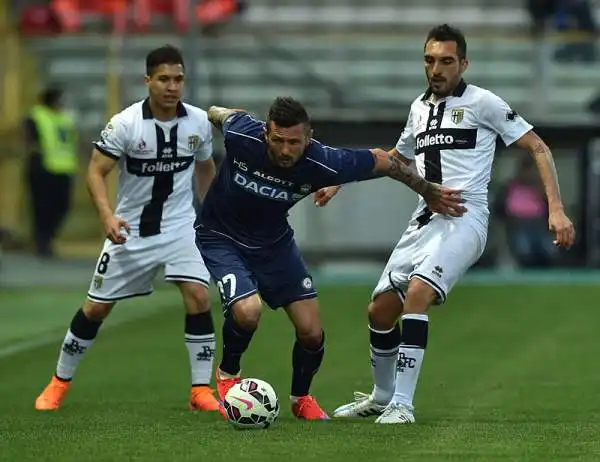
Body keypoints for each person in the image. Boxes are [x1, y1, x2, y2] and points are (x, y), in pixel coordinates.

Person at [332, 24, 576, 424]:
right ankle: (381, 396)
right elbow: (396, 158)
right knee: (379, 311)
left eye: (446, 61)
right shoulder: (418, 108)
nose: (437, 69)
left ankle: (403, 406)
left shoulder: (484, 103)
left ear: (463, 63)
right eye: (430, 60)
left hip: (465, 219)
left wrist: (556, 209)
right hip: (423, 220)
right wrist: (340, 180)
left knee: (417, 294)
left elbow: (538, 146)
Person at [197, 96, 467, 420]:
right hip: (221, 237)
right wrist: (206, 117)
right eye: (278, 140)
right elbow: (221, 114)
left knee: (311, 332)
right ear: (265, 134)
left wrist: (427, 190)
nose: (285, 150)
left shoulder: (323, 161)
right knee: (248, 310)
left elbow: (384, 160)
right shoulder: (242, 134)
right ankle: (228, 376)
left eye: (294, 142)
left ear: (308, 138)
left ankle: (301, 398)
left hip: (274, 244)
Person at [34, 45, 220, 412]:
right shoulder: (125, 124)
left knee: (198, 296)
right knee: (95, 310)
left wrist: (210, 213)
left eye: (178, 79)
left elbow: (205, 166)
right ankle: (58, 383)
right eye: (164, 79)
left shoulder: (198, 122)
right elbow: (95, 171)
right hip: (130, 231)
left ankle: (200, 391)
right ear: (147, 80)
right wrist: (106, 216)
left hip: (181, 227)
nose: (172, 86)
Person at [23, 85, 78, 258]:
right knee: (41, 207)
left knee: (62, 206)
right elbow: (27, 138)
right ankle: (42, 242)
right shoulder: (36, 116)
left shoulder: (65, 118)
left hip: (64, 167)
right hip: (42, 166)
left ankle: (47, 238)